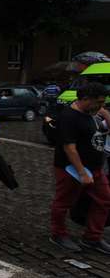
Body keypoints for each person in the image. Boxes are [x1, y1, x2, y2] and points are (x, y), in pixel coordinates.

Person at [50, 82, 110, 254]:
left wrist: (104, 112)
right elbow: (69, 147)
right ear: (85, 99)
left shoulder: (93, 113)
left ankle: (92, 238)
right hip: (71, 169)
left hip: (96, 168)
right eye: (98, 102)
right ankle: (58, 234)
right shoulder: (69, 117)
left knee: (105, 200)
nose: (101, 106)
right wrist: (82, 173)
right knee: (64, 202)